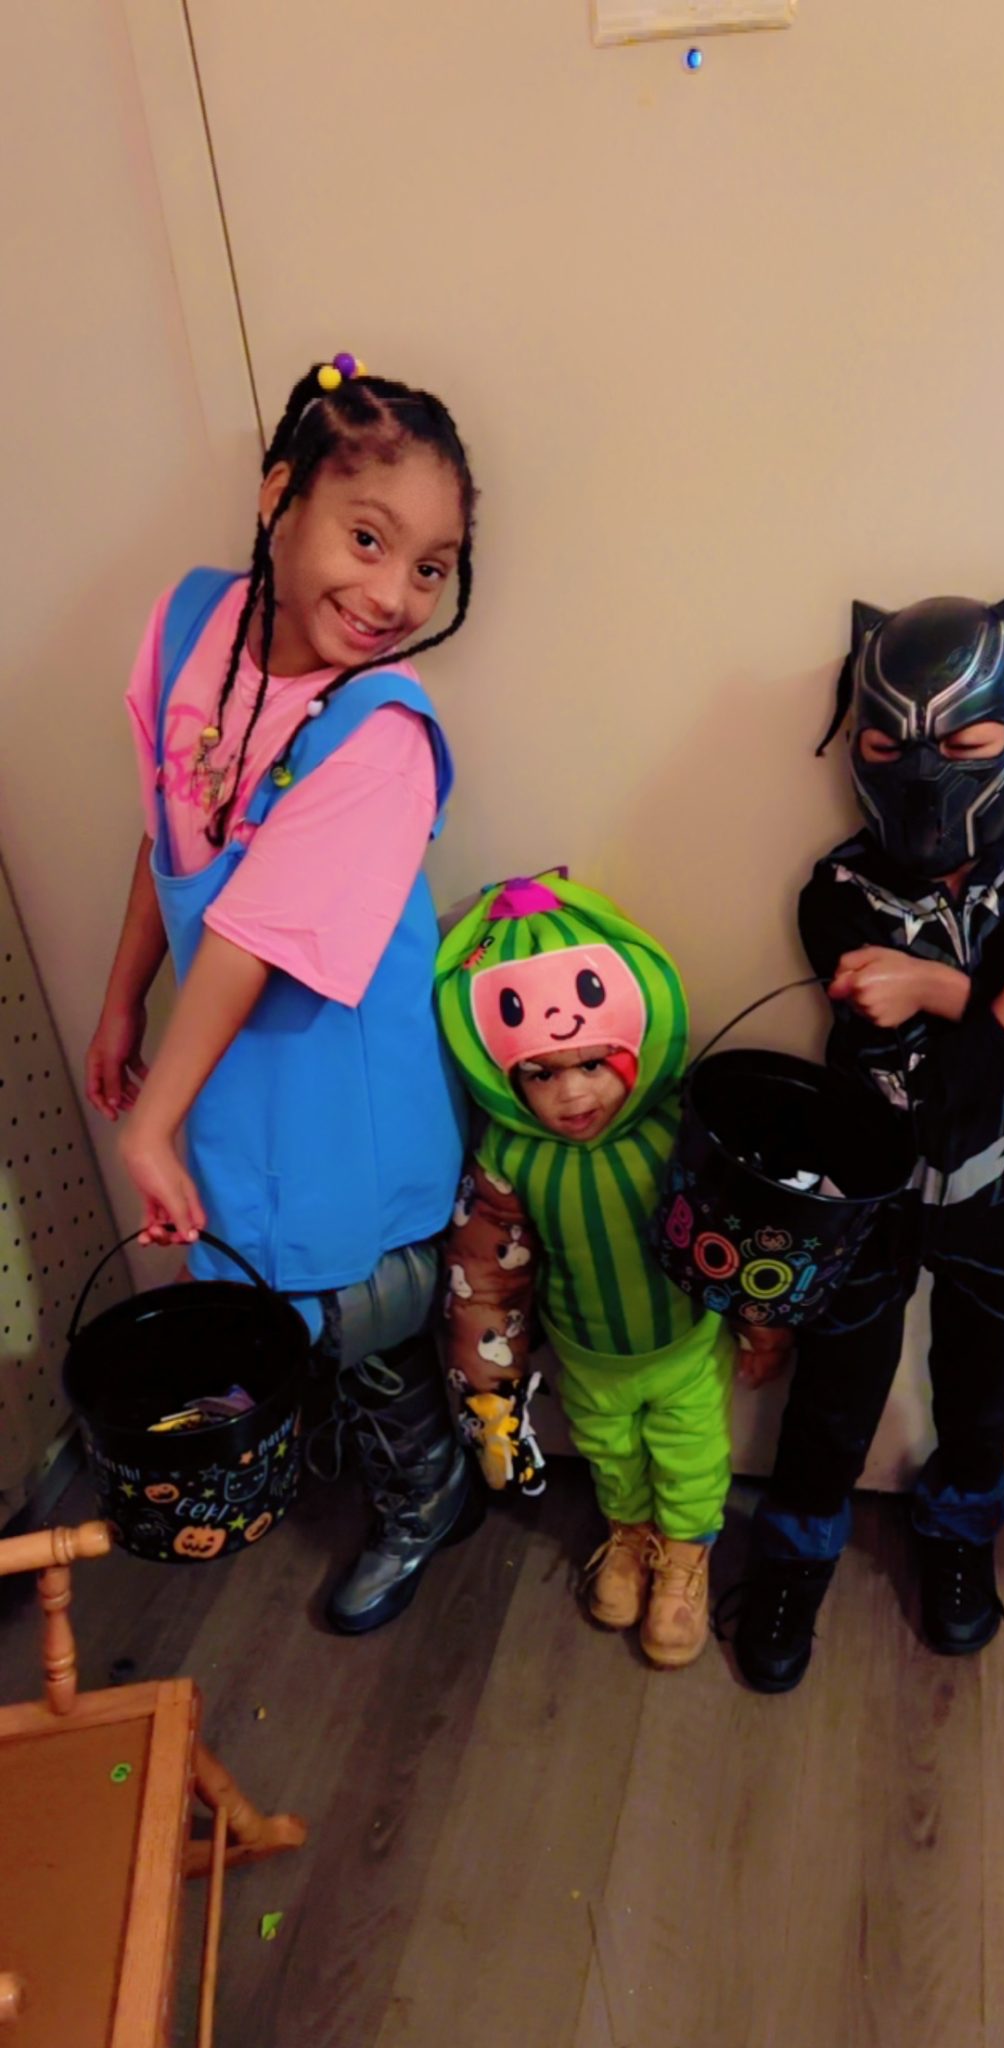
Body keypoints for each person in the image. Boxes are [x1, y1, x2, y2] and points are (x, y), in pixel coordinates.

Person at [86, 355, 482, 1633]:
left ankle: (427, 1492)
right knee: (258, 1281)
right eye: (368, 538)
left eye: (429, 566)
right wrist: (123, 999)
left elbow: (256, 935)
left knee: (361, 1307)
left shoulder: (381, 730)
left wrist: (152, 1120)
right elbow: (169, 825)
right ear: (278, 497)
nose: (392, 594)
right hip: (222, 1064)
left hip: (330, 1080)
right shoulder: (189, 625)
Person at [731, 586, 1004, 1693]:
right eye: (889, 744)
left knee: (982, 1389)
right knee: (834, 1388)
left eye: (965, 743)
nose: (924, 772)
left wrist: (940, 987)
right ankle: (795, 1551)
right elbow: (940, 1093)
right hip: (869, 1189)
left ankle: (957, 1534)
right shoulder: (838, 893)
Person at [434, 875, 787, 1670]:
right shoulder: (508, 1156)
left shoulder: (679, 1129)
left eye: (594, 1062)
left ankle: (685, 1557)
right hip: (586, 1353)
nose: (573, 1094)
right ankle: (628, 1536)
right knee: (608, 1453)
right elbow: (484, 1276)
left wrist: (762, 1327)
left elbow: (740, 1240)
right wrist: (490, 1385)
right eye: (541, 1074)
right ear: (503, 1075)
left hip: (685, 1344)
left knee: (691, 1457)